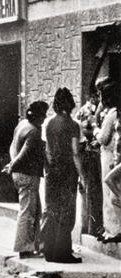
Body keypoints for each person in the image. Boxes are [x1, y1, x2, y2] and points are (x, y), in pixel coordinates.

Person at [41, 87, 87, 263]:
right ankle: (62, 253)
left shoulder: (48, 123)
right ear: (71, 104)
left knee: (52, 209)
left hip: (52, 172)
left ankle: (49, 251)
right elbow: (75, 152)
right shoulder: (74, 125)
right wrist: (82, 176)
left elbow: (47, 150)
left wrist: (51, 167)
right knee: (66, 212)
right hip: (68, 172)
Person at [3, 100, 48, 258]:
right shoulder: (34, 131)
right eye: (44, 115)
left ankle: (35, 245)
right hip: (27, 174)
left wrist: (12, 163)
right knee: (28, 212)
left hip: (20, 174)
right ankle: (24, 248)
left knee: (34, 211)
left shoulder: (22, 125)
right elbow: (25, 153)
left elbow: (13, 146)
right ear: (40, 116)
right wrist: (13, 165)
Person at [76, 90, 105, 239]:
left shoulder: (98, 109)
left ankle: (90, 226)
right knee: (90, 191)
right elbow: (83, 130)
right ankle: (90, 227)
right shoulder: (87, 111)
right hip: (89, 155)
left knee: (92, 191)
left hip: (93, 154)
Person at [97, 84, 121, 243]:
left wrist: (95, 130)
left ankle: (113, 229)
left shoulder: (112, 114)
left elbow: (103, 138)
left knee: (110, 193)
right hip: (113, 154)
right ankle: (111, 229)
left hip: (109, 155)